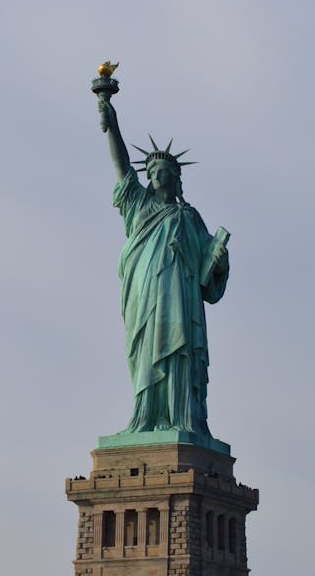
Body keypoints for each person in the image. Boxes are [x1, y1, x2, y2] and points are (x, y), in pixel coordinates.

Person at [98, 98, 229, 437]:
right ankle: (146, 416)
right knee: (145, 352)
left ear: (175, 177)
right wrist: (110, 119)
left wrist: (217, 261)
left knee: (180, 349)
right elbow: (121, 164)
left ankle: (182, 418)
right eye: (152, 172)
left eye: (163, 172)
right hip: (143, 290)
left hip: (180, 296)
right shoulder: (137, 203)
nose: (156, 176)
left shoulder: (189, 217)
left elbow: (207, 273)